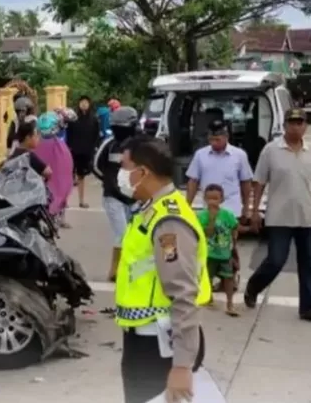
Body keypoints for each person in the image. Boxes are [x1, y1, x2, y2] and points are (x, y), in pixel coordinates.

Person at [116, 136, 210, 403]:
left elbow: (183, 294)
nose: (121, 176)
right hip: (148, 340)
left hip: (161, 347)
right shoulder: (153, 209)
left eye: (125, 168)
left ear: (143, 172)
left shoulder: (169, 223)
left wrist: (181, 365)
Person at [244, 108, 311, 321]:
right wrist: (254, 211)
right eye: (292, 122)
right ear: (284, 126)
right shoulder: (271, 150)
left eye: (300, 123)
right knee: (276, 259)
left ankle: (307, 308)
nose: (296, 126)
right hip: (278, 216)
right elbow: (259, 181)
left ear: (306, 126)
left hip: (307, 216)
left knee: (308, 263)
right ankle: (254, 286)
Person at [92, 106, 138, 281]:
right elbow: (95, 165)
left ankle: (126, 269)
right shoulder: (109, 144)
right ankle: (116, 271)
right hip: (113, 198)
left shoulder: (140, 145)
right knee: (122, 234)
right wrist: (111, 183)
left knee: (133, 234)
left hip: (134, 198)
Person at [185, 119, 253, 222]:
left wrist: (246, 207)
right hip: (208, 211)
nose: (214, 143)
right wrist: (187, 206)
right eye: (211, 139)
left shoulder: (239, 155)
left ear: (226, 137)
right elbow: (193, 182)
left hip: (232, 211)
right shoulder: (200, 155)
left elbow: (245, 183)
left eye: (217, 140)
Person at [198, 184, 240, 316]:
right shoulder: (202, 216)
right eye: (209, 199)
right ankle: (208, 297)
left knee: (229, 279)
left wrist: (234, 243)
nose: (212, 202)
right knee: (207, 277)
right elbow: (205, 233)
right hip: (209, 254)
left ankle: (230, 303)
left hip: (225, 254)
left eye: (215, 199)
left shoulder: (227, 214)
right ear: (205, 199)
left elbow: (235, 227)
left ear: (221, 199)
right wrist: (211, 219)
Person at [35, 112, 74, 228]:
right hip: (52, 178)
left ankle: (55, 218)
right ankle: (57, 218)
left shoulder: (38, 143)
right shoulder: (59, 145)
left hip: (46, 178)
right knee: (59, 191)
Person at [66, 95, 100, 208]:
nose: (84, 104)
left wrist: (93, 148)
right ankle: (64, 201)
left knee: (81, 176)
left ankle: (81, 201)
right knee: (69, 177)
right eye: (82, 102)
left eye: (86, 102)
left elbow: (96, 136)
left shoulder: (94, 119)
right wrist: (68, 147)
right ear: (79, 104)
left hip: (86, 152)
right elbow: (68, 133)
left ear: (89, 104)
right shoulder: (73, 118)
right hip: (73, 151)